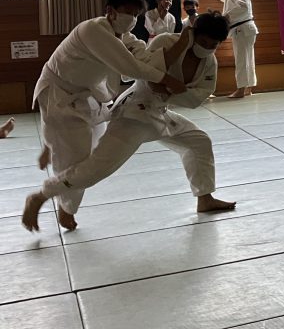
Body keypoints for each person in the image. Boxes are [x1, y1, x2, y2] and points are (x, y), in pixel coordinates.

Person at [21, 13, 235, 233]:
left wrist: (169, 90)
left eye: (213, 45)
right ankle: (42, 195)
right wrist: (172, 86)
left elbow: (197, 98)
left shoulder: (210, 62)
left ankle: (205, 198)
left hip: (161, 112)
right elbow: (147, 75)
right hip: (134, 113)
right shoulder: (166, 42)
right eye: (203, 42)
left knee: (199, 142)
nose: (206, 48)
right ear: (193, 33)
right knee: (97, 168)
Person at [214, 0, 258, 98]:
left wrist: (226, 16)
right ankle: (248, 88)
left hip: (242, 29)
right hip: (244, 29)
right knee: (247, 59)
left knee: (241, 60)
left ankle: (241, 89)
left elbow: (243, 7)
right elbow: (227, 0)